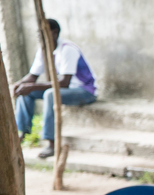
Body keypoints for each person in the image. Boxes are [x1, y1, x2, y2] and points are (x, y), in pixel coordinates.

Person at [10, 19, 97, 158]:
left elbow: (64, 82)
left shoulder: (67, 49)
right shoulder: (43, 50)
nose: (39, 36)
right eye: (38, 33)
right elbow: (32, 76)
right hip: (64, 89)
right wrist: (19, 84)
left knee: (50, 94)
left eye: (43, 32)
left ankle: (51, 143)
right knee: (25, 91)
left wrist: (31, 86)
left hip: (84, 91)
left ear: (54, 32)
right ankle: (22, 132)